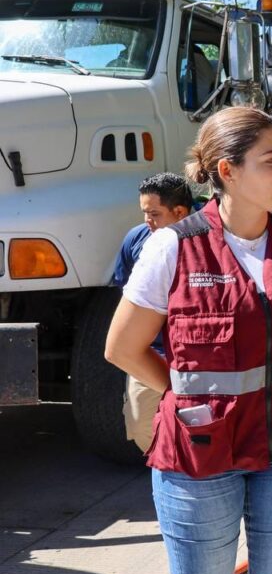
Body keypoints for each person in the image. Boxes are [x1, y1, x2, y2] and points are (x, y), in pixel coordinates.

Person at [104, 107, 272, 574]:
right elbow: (122, 347)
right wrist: (185, 394)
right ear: (227, 171)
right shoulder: (171, 247)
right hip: (200, 456)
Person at [112, 172, 192, 453]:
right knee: (141, 427)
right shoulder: (136, 239)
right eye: (144, 213)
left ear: (180, 211)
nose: (147, 221)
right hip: (151, 354)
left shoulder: (208, 241)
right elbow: (126, 295)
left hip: (197, 359)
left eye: (154, 214)